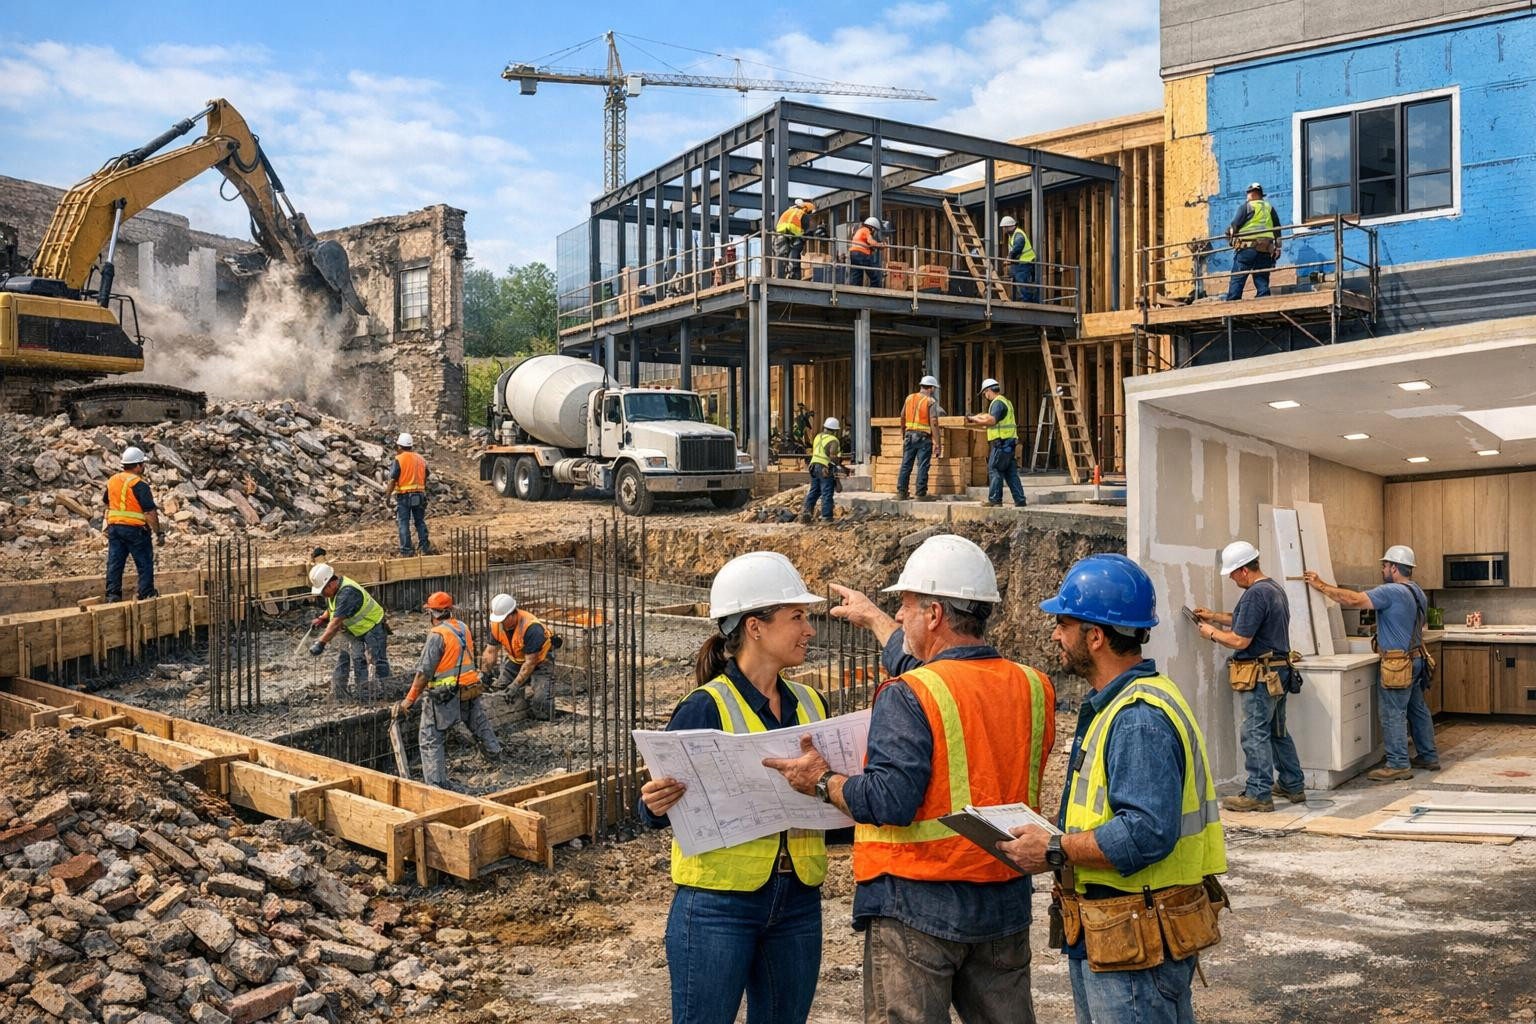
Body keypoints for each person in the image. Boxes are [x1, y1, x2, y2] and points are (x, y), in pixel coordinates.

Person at [765, 535, 1056, 1024]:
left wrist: (822, 780)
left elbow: (889, 800)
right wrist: (875, 619)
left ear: (935, 614)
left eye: (904, 606)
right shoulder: (1033, 685)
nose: (899, 616)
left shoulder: (910, 694)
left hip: (919, 900)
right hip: (1003, 899)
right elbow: (951, 674)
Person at [997, 554, 1228, 1024]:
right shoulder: (1122, 704)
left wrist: (1055, 848)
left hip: (1135, 947)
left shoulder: (1137, 717)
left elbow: (1146, 833)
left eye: (1063, 624)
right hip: (1118, 936)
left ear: (1096, 636)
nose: (1055, 636)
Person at [638, 552, 828, 1024]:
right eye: (797, 617)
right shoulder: (703, 707)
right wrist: (652, 803)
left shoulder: (812, 703)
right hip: (716, 906)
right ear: (755, 627)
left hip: (798, 899)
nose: (810, 630)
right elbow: (658, 810)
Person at [1303, 544, 1439, 780]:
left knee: (1392, 713)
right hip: (1417, 660)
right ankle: (1428, 755)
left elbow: (1354, 601)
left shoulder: (1392, 592)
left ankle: (1397, 764)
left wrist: (1320, 585)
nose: (1382, 570)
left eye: (1385, 565)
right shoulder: (1417, 591)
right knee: (1417, 709)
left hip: (1398, 664)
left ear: (1395, 568)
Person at [1194, 540, 1305, 811]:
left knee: (1254, 732)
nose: (1232, 579)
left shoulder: (1256, 593)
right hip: (1278, 672)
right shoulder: (1273, 589)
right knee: (1277, 730)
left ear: (1244, 570)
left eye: (1232, 573)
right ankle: (1292, 783)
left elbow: (1241, 639)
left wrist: (1211, 633)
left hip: (1261, 674)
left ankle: (1258, 793)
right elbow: (1243, 619)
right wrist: (1214, 616)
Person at [397, 591, 504, 788]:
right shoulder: (462, 627)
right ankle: (495, 755)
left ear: (433, 613)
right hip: (468, 687)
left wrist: (409, 700)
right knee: (478, 723)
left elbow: (423, 674)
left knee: (430, 738)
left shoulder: (437, 635)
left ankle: (435, 783)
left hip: (444, 695)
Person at [307, 563, 393, 701]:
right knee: (358, 658)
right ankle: (364, 694)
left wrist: (321, 643)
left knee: (378, 660)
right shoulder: (335, 592)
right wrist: (323, 618)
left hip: (373, 627)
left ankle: (386, 692)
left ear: (330, 584)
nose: (322, 595)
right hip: (356, 631)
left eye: (323, 591)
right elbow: (333, 608)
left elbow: (335, 624)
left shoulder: (347, 593)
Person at [483, 592, 557, 721]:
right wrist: (484, 674)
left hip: (540, 661)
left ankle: (544, 715)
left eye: (503, 619)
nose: (501, 623)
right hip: (515, 659)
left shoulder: (532, 628)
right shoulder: (495, 624)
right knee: (500, 687)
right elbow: (490, 652)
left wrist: (515, 685)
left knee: (540, 703)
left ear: (513, 613)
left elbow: (530, 663)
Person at [103, 446, 162, 603]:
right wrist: (158, 532)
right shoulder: (139, 484)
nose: (143, 467)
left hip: (115, 529)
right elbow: (150, 512)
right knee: (144, 563)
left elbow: (107, 502)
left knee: (115, 563)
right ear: (137, 465)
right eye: (142, 464)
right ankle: (146, 594)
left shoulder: (112, 481)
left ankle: (112, 596)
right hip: (135, 530)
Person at [965, 379, 1025, 508]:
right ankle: (1020, 500)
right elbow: (989, 417)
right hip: (1009, 442)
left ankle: (995, 500)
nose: (985, 396)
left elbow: (991, 420)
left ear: (988, 391)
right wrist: (976, 417)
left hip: (1001, 443)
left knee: (994, 469)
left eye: (984, 393)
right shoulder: (1005, 402)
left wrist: (973, 419)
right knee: (1010, 472)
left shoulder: (997, 403)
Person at [1224, 183, 1281, 301]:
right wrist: (1277, 248)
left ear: (1251, 194)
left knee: (1238, 277)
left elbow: (1234, 226)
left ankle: (1232, 303)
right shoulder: (1269, 208)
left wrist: (1229, 239)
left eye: (1248, 193)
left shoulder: (1247, 206)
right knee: (1262, 278)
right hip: (1265, 249)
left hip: (1247, 249)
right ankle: (1263, 300)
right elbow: (1277, 229)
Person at [896, 375, 944, 501]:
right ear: (931, 388)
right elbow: (933, 421)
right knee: (923, 465)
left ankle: (901, 493)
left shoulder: (909, 398)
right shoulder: (930, 401)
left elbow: (902, 416)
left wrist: (903, 432)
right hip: (923, 437)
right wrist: (937, 443)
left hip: (909, 436)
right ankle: (921, 494)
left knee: (906, 464)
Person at [385, 432, 433, 556]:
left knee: (403, 523)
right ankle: (424, 547)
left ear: (400, 446)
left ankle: (406, 551)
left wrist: (388, 496)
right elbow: (426, 474)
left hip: (405, 496)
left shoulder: (399, 459)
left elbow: (392, 480)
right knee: (419, 521)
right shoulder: (420, 458)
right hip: (420, 495)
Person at [800, 417, 842, 525]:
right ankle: (826, 517)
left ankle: (806, 514)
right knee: (826, 492)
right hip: (825, 468)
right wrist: (839, 462)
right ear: (835, 430)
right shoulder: (833, 440)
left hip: (813, 467)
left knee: (814, 491)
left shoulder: (818, 437)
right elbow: (832, 456)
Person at [775, 199, 816, 279]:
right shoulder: (802, 214)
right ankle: (794, 274)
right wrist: (808, 235)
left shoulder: (789, 211)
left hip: (781, 232)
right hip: (794, 233)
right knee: (795, 251)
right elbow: (803, 230)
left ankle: (782, 273)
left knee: (783, 253)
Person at [999, 215, 1036, 302]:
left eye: (1005, 227)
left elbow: (1018, 247)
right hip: (1019, 263)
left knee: (1022, 283)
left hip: (1024, 262)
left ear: (1010, 226)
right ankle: (1021, 300)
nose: (1004, 229)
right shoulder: (1013, 235)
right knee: (1018, 283)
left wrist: (1009, 258)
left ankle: (1027, 302)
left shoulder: (1018, 234)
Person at [849, 216, 885, 287]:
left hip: (853, 254)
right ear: (872, 227)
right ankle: (875, 291)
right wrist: (879, 245)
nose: (874, 233)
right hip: (861, 254)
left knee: (857, 275)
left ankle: (855, 291)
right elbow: (870, 241)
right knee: (874, 276)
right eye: (874, 230)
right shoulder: (866, 230)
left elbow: (865, 243)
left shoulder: (859, 230)